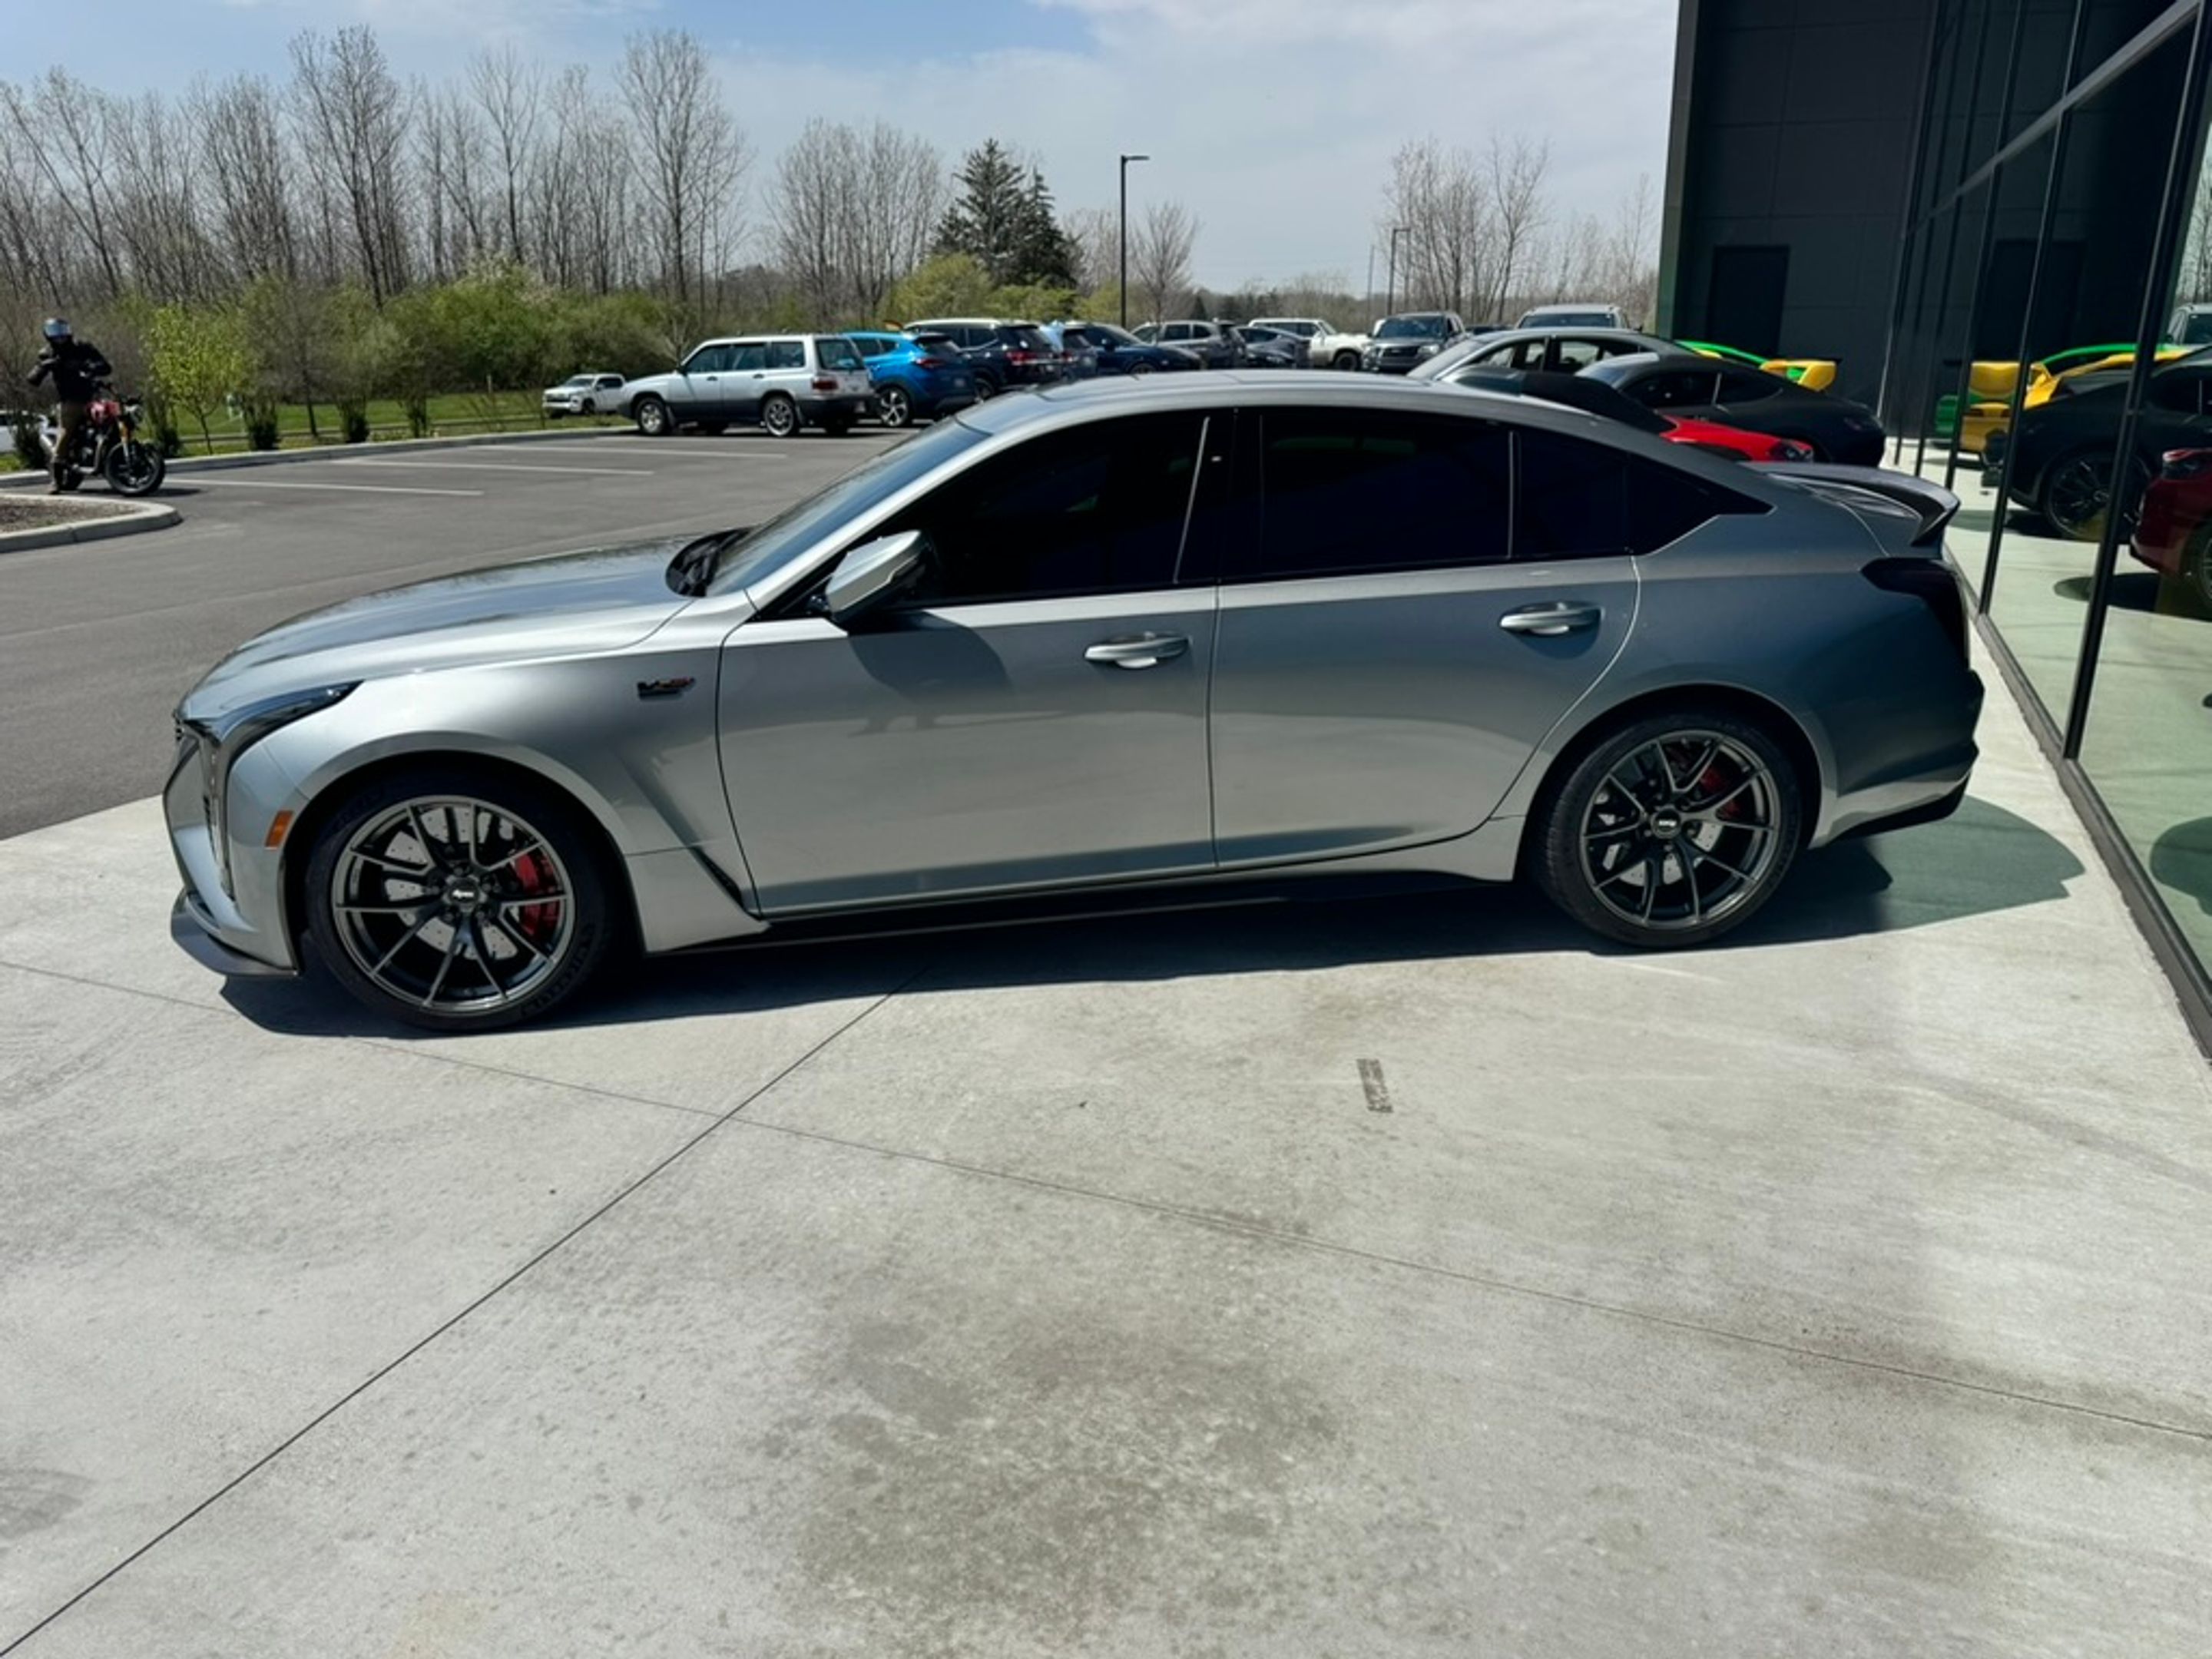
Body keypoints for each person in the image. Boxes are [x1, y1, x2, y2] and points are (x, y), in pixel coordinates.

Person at [28, 317, 112, 493]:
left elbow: (106, 367)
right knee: (65, 434)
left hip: (92, 398)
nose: (60, 336)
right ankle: (55, 481)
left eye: (62, 330)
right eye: (55, 332)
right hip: (70, 401)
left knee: (112, 419)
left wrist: (92, 366)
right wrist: (45, 366)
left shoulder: (83, 348)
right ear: (48, 335)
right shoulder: (48, 353)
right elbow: (33, 379)